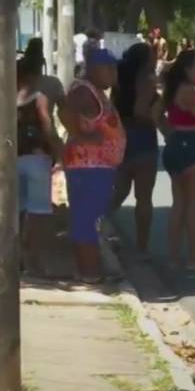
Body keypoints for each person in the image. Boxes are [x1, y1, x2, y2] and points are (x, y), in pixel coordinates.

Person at [62, 48, 126, 283]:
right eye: (109, 68)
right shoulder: (83, 91)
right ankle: (90, 272)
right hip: (88, 166)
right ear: (96, 69)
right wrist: (80, 135)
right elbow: (65, 112)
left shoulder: (96, 92)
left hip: (98, 166)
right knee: (87, 219)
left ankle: (88, 270)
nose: (113, 74)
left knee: (91, 217)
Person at [159, 49, 195, 269]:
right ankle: (194, 257)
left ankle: (173, 255)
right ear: (187, 69)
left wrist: (169, 131)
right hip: (194, 148)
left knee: (179, 204)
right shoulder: (192, 93)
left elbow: (156, 113)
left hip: (175, 146)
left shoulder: (172, 90)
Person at [111, 43, 159, 253]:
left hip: (121, 134)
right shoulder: (147, 80)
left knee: (119, 190)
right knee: (144, 197)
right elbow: (141, 111)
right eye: (153, 55)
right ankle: (141, 247)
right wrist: (157, 116)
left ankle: (94, 227)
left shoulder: (119, 78)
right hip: (142, 136)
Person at [16, 56, 61, 276]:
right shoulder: (39, 98)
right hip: (37, 157)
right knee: (39, 212)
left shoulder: (3, 98)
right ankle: (32, 259)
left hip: (11, 158)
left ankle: (19, 257)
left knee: (19, 209)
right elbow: (48, 129)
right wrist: (60, 155)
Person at [23, 37, 66, 122]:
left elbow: (64, 110)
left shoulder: (53, 83)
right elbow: (64, 110)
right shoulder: (53, 83)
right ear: (42, 62)